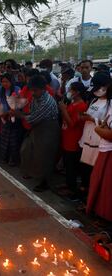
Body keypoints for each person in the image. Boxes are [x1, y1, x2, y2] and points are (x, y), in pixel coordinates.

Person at [12, 75, 60, 192]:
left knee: (45, 156)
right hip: (37, 128)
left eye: (35, 90)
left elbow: (33, 118)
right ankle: (32, 173)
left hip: (48, 129)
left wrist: (19, 115)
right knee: (27, 150)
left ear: (43, 89)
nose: (32, 93)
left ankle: (45, 182)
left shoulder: (47, 102)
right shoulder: (36, 98)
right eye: (31, 90)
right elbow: (32, 113)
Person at [79, 72, 111, 197]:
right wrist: (85, 117)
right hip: (88, 140)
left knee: (95, 173)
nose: (95, 91)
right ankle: (83, 197)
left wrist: (93, 119)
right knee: (85, 171)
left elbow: (108, 125)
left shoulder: (110, 103)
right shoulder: (94, 100)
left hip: (99, 143)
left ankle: (92, 199)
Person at [86, 84, 112, 221]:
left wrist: (98, 130)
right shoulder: (103, 103)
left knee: (106, 185)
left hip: (109, 151)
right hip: (105, 148)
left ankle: (104, 215)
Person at [58, 82, 88, 199]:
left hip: (73, 139)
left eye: (71, 90)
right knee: (67, 163)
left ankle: (72, 188)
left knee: (72, 165)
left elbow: (71, 123)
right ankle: (68, 183)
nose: (69, 92)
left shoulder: (81, 106)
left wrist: (63, 110)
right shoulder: (73, 103)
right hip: (67, 137)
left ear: (77, 92)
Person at [0, 73, 22, 166]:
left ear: (11, 81)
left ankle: (13, 158)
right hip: (4, 117)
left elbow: (19, 104)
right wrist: (2, 114)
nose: (4, 83)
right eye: (2, 82)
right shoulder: (0, 91)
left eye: (6, 81)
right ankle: (4, 157)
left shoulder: (17, 89)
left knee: (13, 140)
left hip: (14, 117)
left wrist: (12, 111)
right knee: (4, 138)